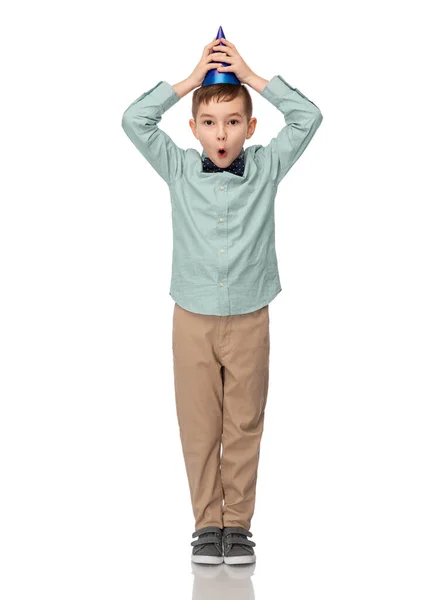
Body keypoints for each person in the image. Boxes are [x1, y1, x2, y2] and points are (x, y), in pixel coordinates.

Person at [121, 34, 323, 566]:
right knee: (199, 422)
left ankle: (239, 526)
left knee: (244, 420)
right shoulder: (179, 168)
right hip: (191, 317)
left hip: (251, 315)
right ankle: (207, 523)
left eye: (234, 120)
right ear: (193, 129)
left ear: (251, 127)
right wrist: (189, 82)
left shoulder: (266, 167)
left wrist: (254, 78)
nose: (222, 132)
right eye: (209, 122)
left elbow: (308, 117)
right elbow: (134, 121)